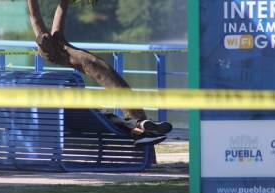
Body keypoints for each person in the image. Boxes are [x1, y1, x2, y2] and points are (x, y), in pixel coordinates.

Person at [28, 0, 173, 147]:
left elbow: (35, 17)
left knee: (105, 116)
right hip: (87, 121)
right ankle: (140, 126)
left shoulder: (50, 111)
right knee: (105, 116)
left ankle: (141, 129)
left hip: (82, 121)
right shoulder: (70, 109)